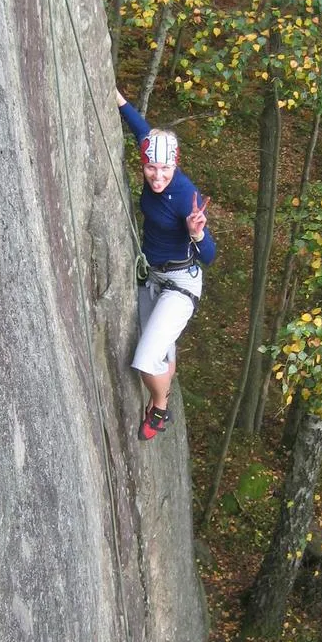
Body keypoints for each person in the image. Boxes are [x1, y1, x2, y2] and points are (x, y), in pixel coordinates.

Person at [117, 89, 216, 440]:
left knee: (146, 359)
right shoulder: (152, 147)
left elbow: (209, 256)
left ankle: (160, 406)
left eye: (164, 169)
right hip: (153, 278)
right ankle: (163, 389)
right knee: (161, 348)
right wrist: (117, 98)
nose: (157, 176)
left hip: (181, 283)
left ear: (175, 165)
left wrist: (196, 233)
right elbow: (140, 128)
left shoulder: (185, 195)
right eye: (150, 168)